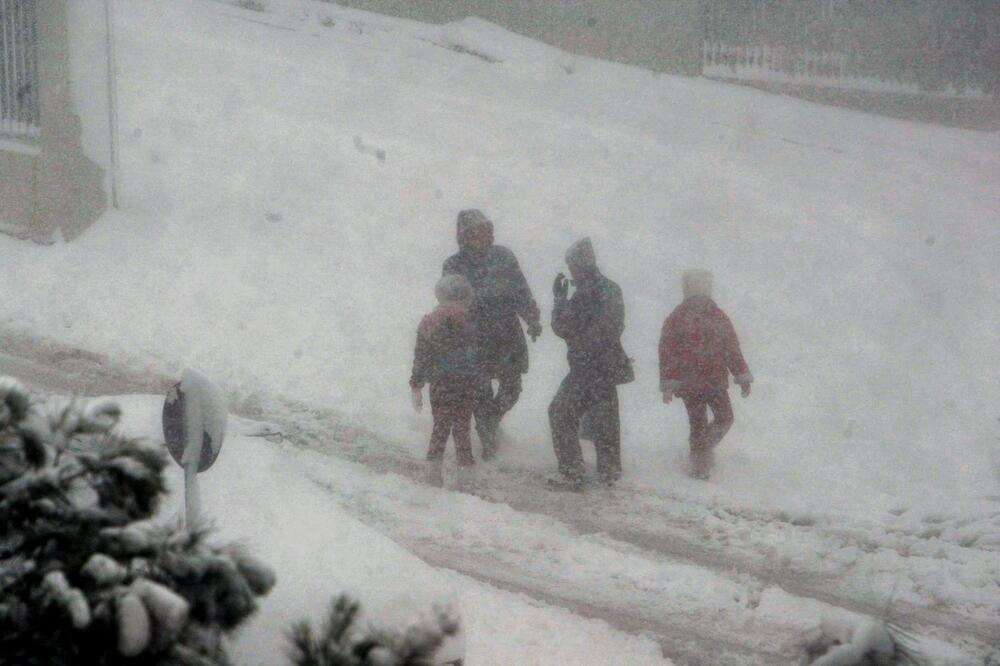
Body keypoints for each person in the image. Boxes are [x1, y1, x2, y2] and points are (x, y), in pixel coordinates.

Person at [442, 209, 542, 459]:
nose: (486, 235)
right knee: (480, 391)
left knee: (513, 387)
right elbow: (450, 304)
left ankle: (491, 421)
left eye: (488, 229)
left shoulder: (504, 256)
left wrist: (532, 318)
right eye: (479, 231)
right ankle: (488, 445)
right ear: (464, 235)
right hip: (474, 337)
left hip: (507, 333)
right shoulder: (453, 265)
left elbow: (521, 289)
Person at [547, 238, 633, 491]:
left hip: (588, 366)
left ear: (581, 264)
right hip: (605, 365)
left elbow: (562, 327)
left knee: (560, 412)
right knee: (603, 417)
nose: (571, 270)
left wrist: (559, 301)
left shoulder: (587, 292)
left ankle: (572, 472)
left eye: (572, 264)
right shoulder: (608, 288)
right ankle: (609, 470)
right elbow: (612, 326)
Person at [658, 270, 753, 479]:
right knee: (707, 421)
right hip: (694, 383)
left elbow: (731, 348)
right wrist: (669, 382)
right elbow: (668, 351)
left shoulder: (715, 316)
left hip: (711, 381)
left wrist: (742, 374)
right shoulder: (680, 318)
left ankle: (700, 454)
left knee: (719, 419)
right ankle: (700, 464)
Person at [410, 274, 480, 489]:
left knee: (440, 427)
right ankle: (466, 479)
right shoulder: (472, 321)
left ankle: (432, 475)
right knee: (462, 429)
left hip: (441, 384)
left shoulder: (429, 322)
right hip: (467, 383)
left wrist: (417, 384)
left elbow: (421, 357)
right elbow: (480, 356)